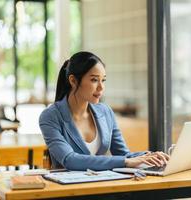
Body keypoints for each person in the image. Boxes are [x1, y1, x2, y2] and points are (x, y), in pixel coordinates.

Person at [39, 51, 169, 171]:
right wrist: (125, 161)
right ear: (73, 80)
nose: (101, 87)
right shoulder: (50, 116)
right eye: (94, 80)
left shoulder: (105, 112)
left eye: (103, 80)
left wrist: (149, 155)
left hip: (100, 185)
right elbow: (70, 160)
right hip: (69, 191)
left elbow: (123, 154)